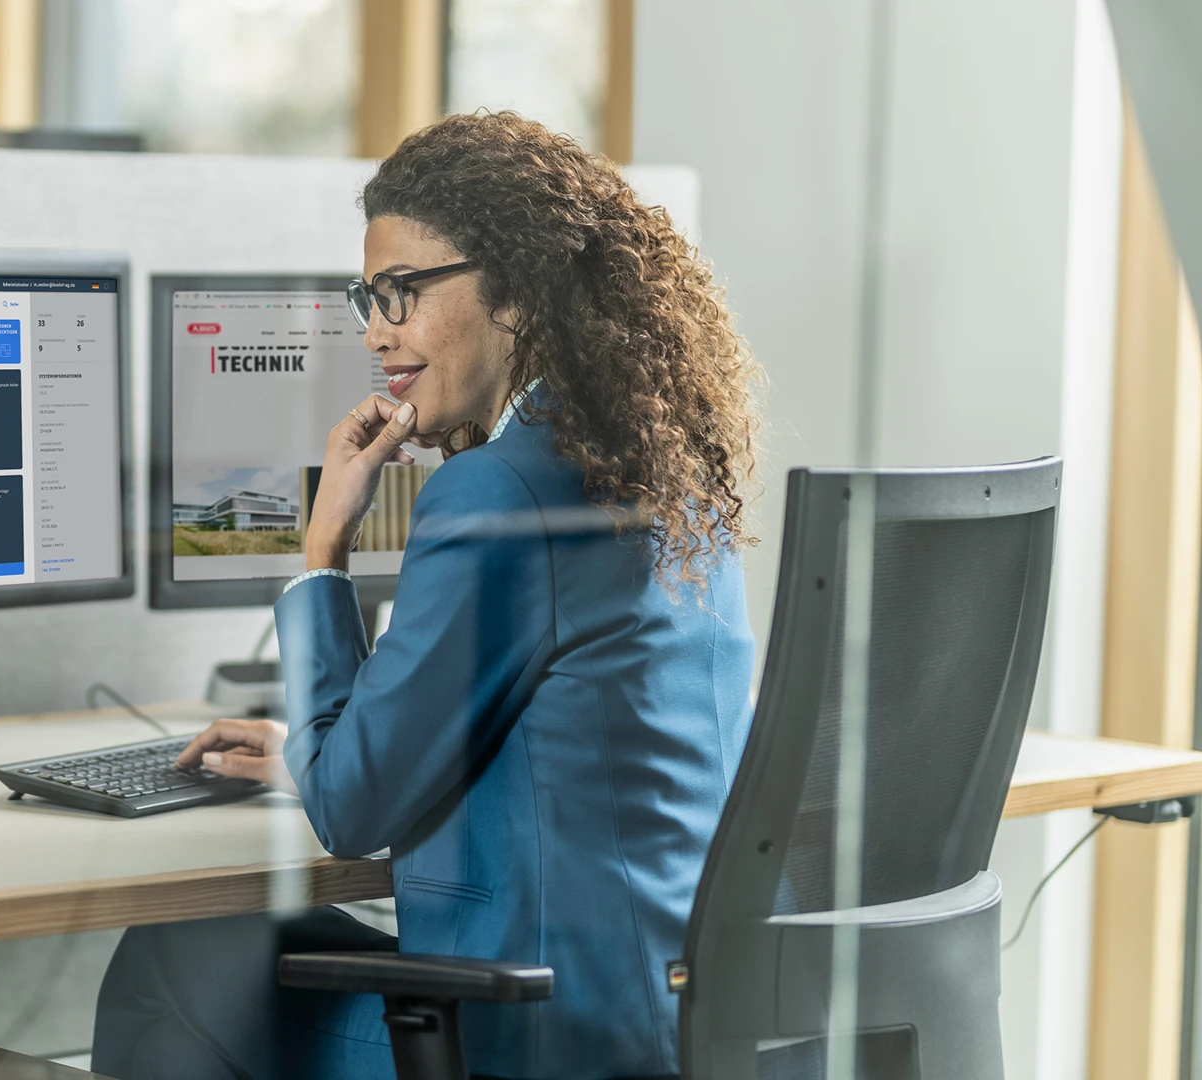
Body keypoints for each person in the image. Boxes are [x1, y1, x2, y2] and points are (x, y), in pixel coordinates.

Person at [93, 111, 762, 1080]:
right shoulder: (662, 468)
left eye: (401, 294)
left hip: (541, 1039)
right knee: (244, 941)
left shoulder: (499, 491)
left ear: (519, 293)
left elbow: (353, 813)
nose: (376, 333)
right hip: (682, 1021)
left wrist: (323, 548)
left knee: (170, 963)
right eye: (370, 299)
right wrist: (314, 755)